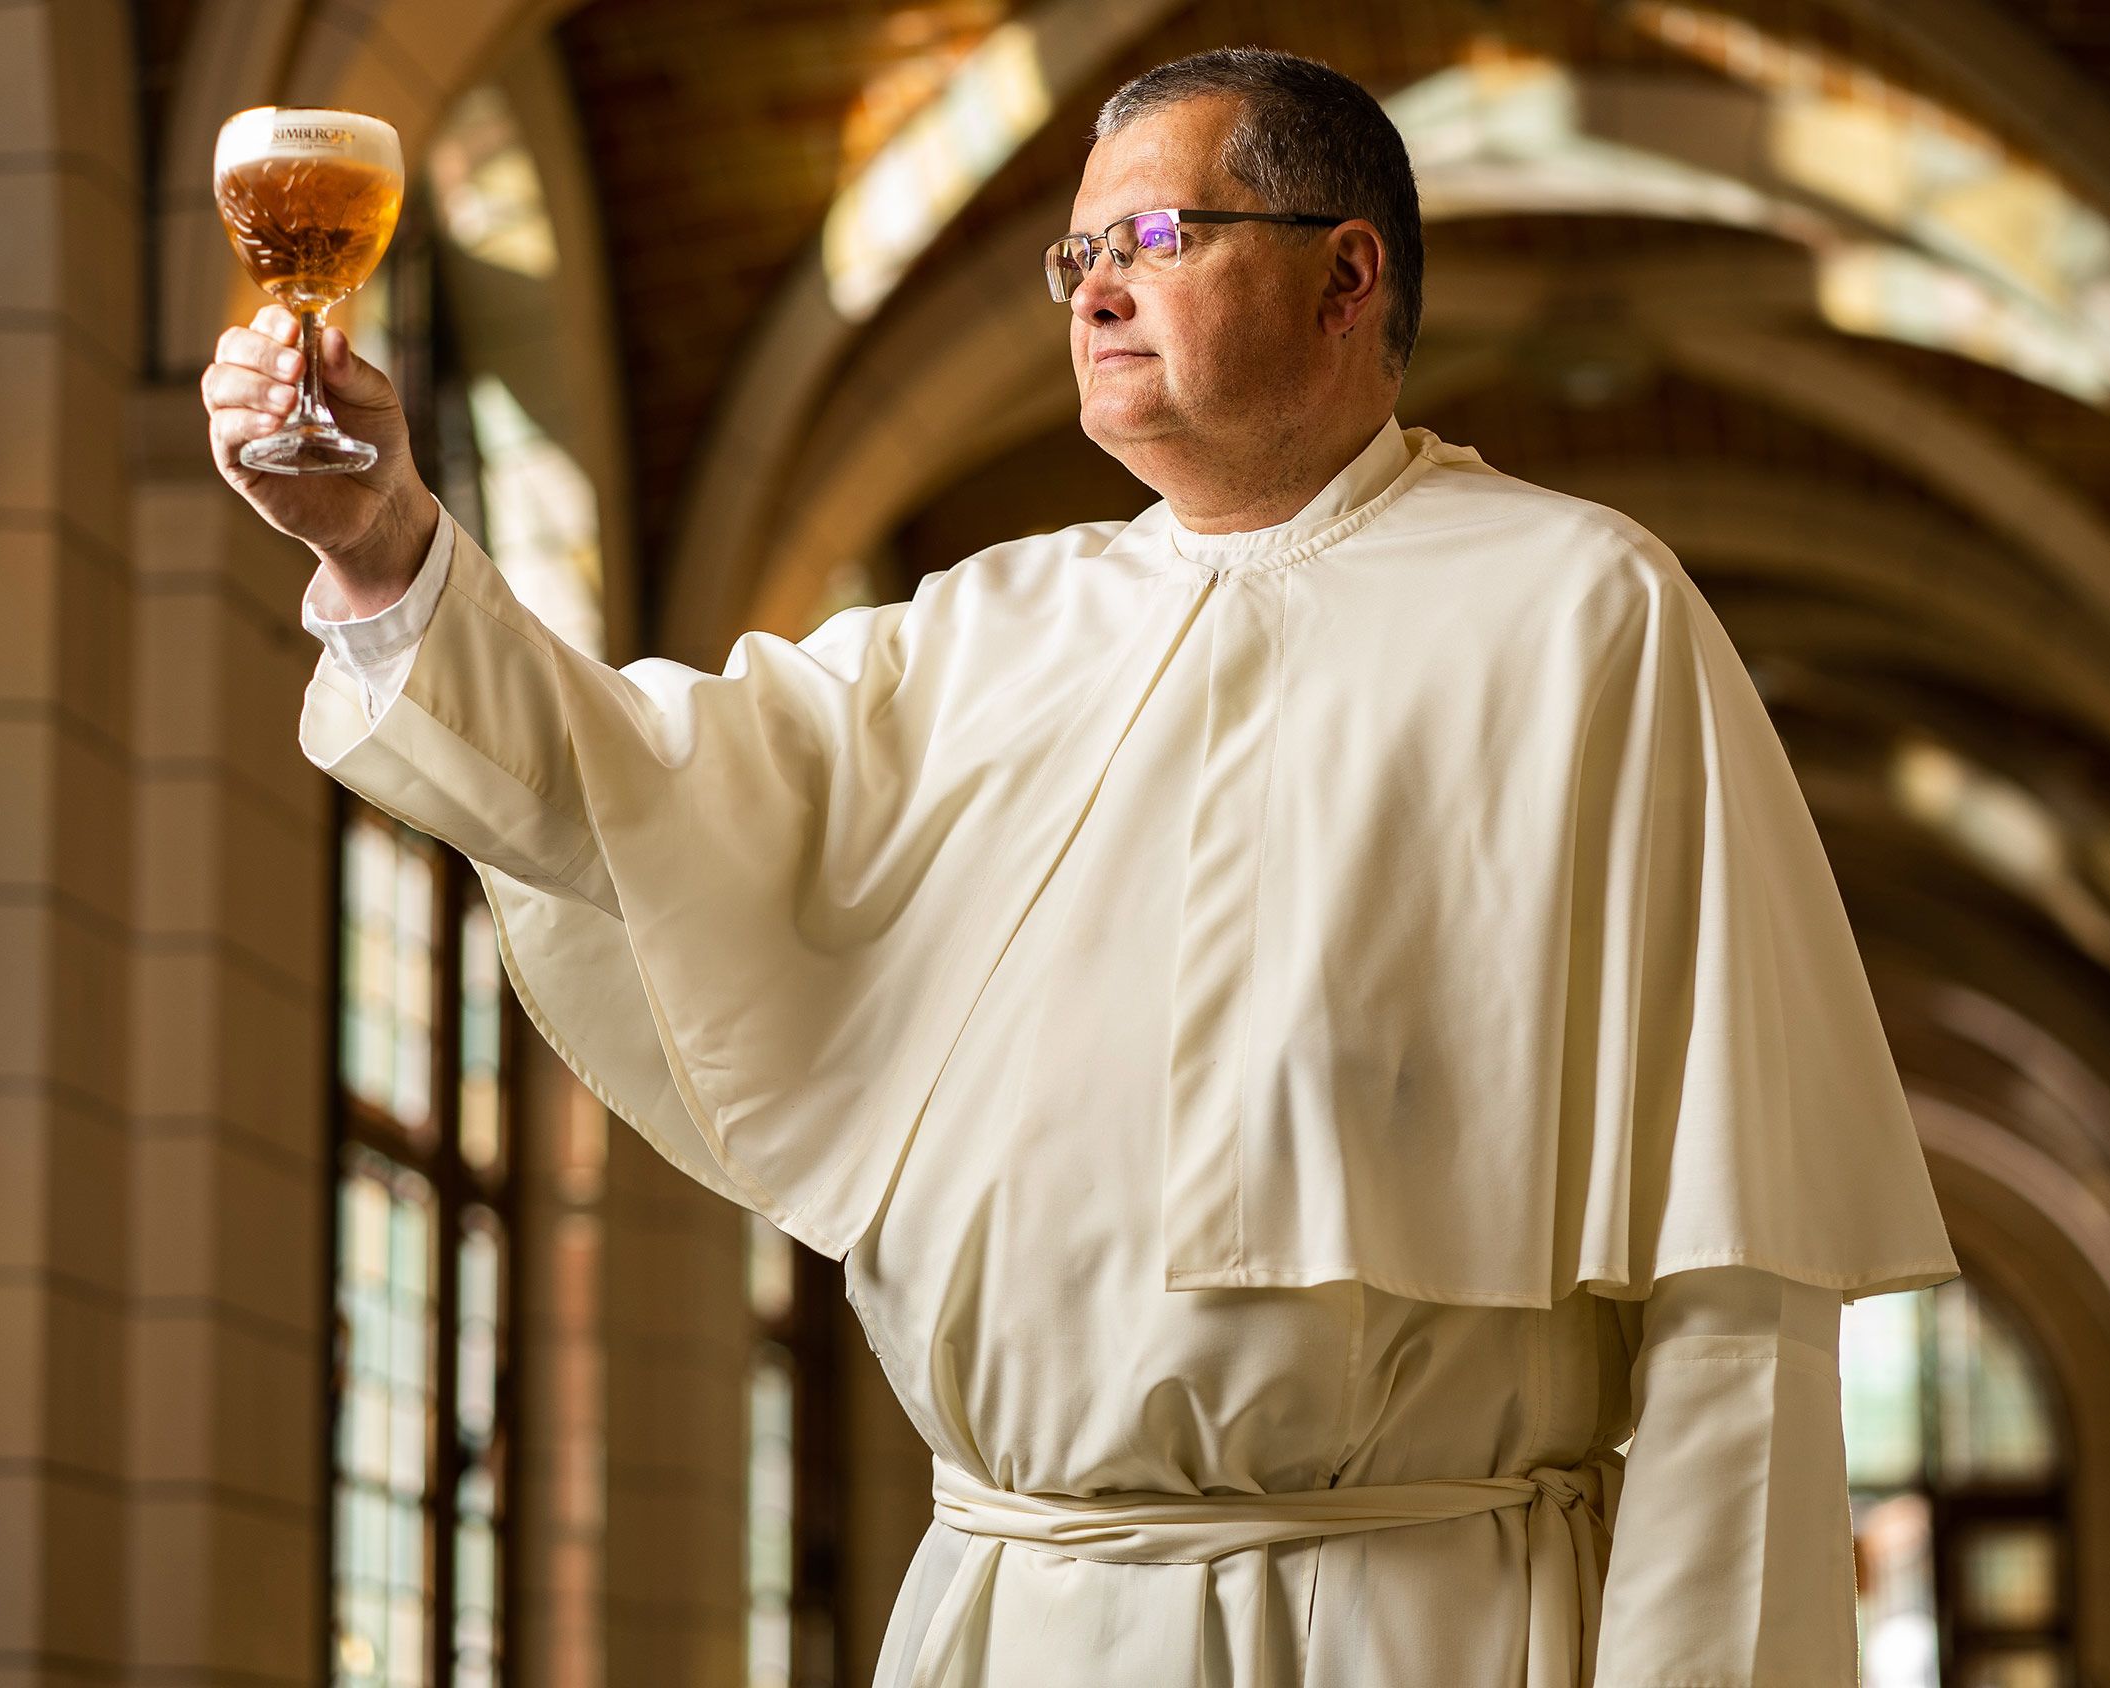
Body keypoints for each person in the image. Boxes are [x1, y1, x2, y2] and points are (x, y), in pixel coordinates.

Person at [205, 45, 1957, 1688]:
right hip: (1020, 1608)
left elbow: (1738, 1305)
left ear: (1350, 279)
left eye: (1157, 237)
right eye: (1074, 258)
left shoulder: (1587, 617)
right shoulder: (988, 629)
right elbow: (638, 781)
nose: (1098, 287)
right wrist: (384, 548)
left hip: (1421, 1617)